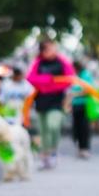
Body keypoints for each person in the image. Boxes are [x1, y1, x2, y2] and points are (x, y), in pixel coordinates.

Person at [27, 39, 74, 170]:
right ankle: (45, 155)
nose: (53, 50)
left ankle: (53, 151)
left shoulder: (62, 61)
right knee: (43, 130)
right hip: (41, 100)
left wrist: (54, 84)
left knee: (53, 125)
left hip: (57, 100)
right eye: (50, 48)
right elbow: (30, 78)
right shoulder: (38, 63)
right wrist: (46, 80)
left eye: (54, 48)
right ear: (43, 51)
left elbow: (70, 78)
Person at [69, 60, 94, 159]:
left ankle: (85, 148)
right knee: (76, 127)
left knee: (84, 127)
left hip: (84, 104)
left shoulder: (85, 75)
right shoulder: (74, 76)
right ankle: (79, 148)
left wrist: (75, 94)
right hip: (75, 105)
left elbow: (88, 90)